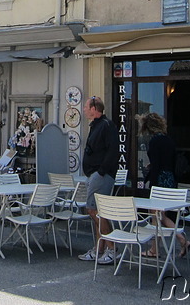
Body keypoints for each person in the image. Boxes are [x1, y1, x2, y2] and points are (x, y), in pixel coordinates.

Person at [138, 112, 190, 258]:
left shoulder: (154, 141)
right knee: (158, 216)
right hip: (170, 178)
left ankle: (182, 239)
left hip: (160, 180)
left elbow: (156, 165)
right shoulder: (168, 140)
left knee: (157, 214)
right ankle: (154, 249)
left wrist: (151, 182)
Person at [78, 96, 120, 265]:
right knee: (97, 211)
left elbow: (113, 150)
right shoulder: (96, 125)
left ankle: (112, 247)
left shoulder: (107, 126)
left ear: (94, 109)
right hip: (94, 173)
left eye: (86, 107)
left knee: (93, 211)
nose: (84, 110)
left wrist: (101, 171)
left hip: (101, 175)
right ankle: (99, 248)